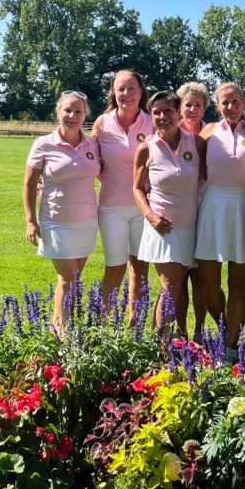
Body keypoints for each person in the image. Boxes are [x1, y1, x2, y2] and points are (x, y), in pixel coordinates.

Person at [23, 90, 100, 331]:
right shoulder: (43, 144)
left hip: (87, 221)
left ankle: (64, 327)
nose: (72, 115)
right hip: (55, 221)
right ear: (58, 112)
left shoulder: (93, 144)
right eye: (67, 110)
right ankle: (62, 336)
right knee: (69, 279)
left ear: (85, 115)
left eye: (78, 111)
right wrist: (30, 221)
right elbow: (28, 184)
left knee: (74, 281)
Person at [133, 91, 207, 333]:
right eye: (157, 112)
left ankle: (181, 336)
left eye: (168, 111)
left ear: (178, 113)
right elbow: (136, 188)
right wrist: (150, 216)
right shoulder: (146, 148)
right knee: (170, 284)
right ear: (151, 116)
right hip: (162, 227)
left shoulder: (196, 143)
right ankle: (162, 347)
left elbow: (210, 175)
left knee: (184, 285)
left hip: (193, 225)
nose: (163, 116)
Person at [197, 82, 245, 359]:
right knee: (208, 282)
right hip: (212, 205)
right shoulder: (207, 132)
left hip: (243, 206)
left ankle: (231, 346)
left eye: (235, 102)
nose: (230, 107)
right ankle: (225, 327)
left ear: (243, 102)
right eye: (224, 103)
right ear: (217, 105)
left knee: (238, 284)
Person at [91, 70, 153, 312]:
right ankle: (101, 327)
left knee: (140, 269)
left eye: (131, 88)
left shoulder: (152, 121)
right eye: (120, 89)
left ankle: (134, 330)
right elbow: (92, 161)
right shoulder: (102, 123)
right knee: (115, 268)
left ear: (140, 92)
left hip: (144, 208)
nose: (126, 94)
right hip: (111, 208)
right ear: (113, 93)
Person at [176, 81, 210, 340]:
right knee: (177, 278)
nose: (192, 109)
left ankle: (199, 330)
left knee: (200, 278)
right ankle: (179, 330)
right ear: (180, 107)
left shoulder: (211, 134)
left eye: (198, 104)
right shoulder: (169, 133)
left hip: (205, 210)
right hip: (176, 213)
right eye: (188, 104)